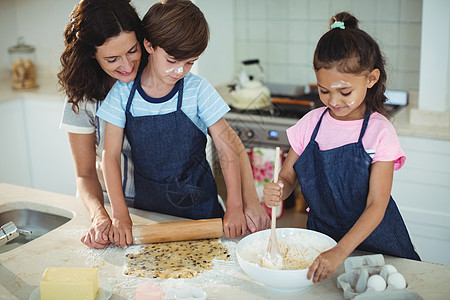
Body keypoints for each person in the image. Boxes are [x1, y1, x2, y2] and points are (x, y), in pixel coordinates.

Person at [59, 0, 269, 249]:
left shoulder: (191, 86)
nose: (127, 66)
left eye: (132, 51)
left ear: (144, 42)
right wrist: (109, 215)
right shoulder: (104, 96)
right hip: (132, 215)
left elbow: (230, 147)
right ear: (92, 55)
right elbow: (92, 168)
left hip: (197, 209)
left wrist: (243, 204)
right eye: (113, 58)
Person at [263, 12, 420, 283]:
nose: (333, 100)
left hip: (377, 245)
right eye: (324, 91)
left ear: (370, 79)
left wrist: (341, 251)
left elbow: (376, 204)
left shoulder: (378, 131)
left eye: (344, 91)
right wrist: (277, 189)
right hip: (322, 242)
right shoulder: (310, 124)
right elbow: (287, 177)